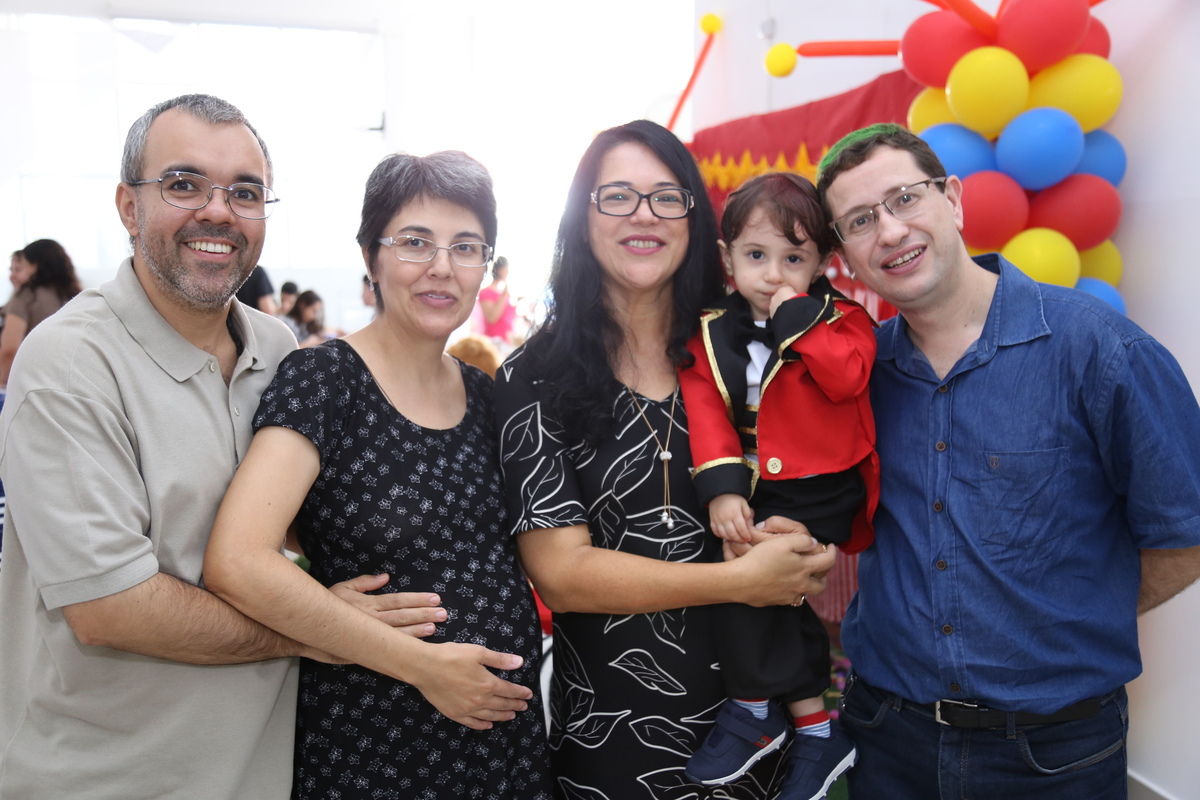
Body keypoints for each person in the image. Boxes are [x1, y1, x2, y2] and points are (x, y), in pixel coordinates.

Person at [0, 93, 441, 799]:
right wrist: (322, 630)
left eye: (245, 192)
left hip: (262, 774)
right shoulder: (70, 364)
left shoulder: (277, 349)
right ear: (128, 206)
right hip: (107, 779)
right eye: (184, 184)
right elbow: (111, 607)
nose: (218, 212)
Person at [815, 123, 1200, 800]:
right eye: (861, 221)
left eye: (905, 199)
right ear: (846, 256)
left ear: (954, 200)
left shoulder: (1101, 351)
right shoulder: (859, 374)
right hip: (887, 737)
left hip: (1055, 754)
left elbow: (1186, 534)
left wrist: (1071, 620)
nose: (891, 231)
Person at [493, 119, 838, 799]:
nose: (644, 215)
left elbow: (813, 472)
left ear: (694, 217)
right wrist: (740, 581)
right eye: (617, 195)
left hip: (764, 734)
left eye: (666, 196)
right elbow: (562, 575)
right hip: (612, 739)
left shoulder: (752, 348)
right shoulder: (533, 377)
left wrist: (804, 541)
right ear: (582, 217)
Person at [203, 150, 552, 800]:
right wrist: (426, 667)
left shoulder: (488, 398)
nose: (442, 266)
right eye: (415, 242)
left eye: (466, 247)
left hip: (504, 747)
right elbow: (238, 560)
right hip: (378, 744)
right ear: (371, 256)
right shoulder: (325, 380)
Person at [677, 171, 877, 797]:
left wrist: (798, 317)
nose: (772, 274)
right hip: (756, 484)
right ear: (727, 257)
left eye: (794, 259)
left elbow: (847, 379)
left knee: (751, 579)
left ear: (823, 262)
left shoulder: (843, 319)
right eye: (756, 256)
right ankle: (814, 728)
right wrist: (723, 488)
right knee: (761, 587)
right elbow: (705, 409)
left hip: (823, 484)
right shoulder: (711, 329)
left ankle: (753, 707)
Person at [0, 238, 83, 386]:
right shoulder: (76, 295)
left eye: (22, 266)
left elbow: (10, 350)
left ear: (35, 265)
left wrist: (2, 382)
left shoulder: (27, 296)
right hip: (70, 380)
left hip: (32, 381)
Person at [479, 254, 517, 343]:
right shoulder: (486, 292)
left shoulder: (505, 293)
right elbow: (492, 318)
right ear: (499, 270)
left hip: (508, 340)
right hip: (494, 340)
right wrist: (504, 295)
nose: (508, 272)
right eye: (506, 268)